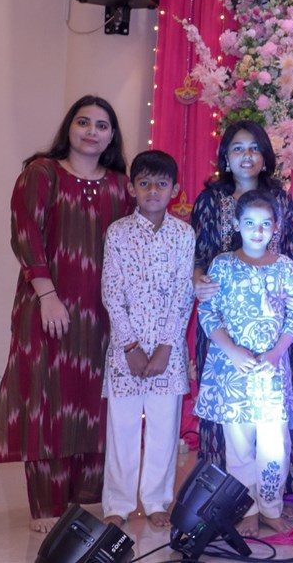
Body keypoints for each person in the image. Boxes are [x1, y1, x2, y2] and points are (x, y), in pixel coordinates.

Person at [0, 96, 133, 533]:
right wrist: (47, 294)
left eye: (101, 125)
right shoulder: (42, 173)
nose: (91, 131)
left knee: (94, 403)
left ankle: (86, 499)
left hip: (102, 315)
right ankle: (46, 506)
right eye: (83, 122)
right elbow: (25, 233)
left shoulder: (121, 186)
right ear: (69, 127)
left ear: (112, 135)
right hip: (47, 305)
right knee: (46, 402)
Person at [191, 120, 293, 494]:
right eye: (238, 148)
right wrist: (197, 279)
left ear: (266, 156)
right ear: (226, 157)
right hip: (223, 324)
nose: (247, 156)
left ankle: (273, 496)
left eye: (255, 148)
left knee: (272, 424)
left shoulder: (281, 200)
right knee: (230, 421)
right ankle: (224, 497)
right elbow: (197, 254)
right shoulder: (210, 200)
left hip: (273, 328)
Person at [194, 190, 293, 537]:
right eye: (250, 223)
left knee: (275, 444)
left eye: (265, 224)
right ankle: (247, 510)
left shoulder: (285, 267)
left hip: (271, 371)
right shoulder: (222, 265)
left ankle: (271, 507)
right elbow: (208, 314)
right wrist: (232, 351)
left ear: (276, 227)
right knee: (238, 446)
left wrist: (276, 353)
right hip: (233, 371)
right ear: (237, 225)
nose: (258, 231)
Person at [100, 151, 195, 528]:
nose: (153, 190)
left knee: (164, 430)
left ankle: (157, 500)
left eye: (161, 184)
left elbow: (183, 294)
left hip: (167, 351)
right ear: (132, 188)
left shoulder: (183, 234)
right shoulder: (118, 233)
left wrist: (166, 348)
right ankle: (118, 503)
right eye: (144, 183)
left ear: (174, 189)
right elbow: (111, 292)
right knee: (121, 429)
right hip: (126, 351)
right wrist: (130, 347)